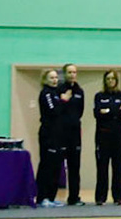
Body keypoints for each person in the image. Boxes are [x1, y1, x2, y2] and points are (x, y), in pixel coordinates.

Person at [35, 66, 84, 207]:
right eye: (51, 77)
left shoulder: (56, 93)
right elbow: (53, 110)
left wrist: (62, 100)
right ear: (45, 80)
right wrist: (63, 101)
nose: (55, 80)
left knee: (56, 167)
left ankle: (51, 197)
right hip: (47, 134)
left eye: (56, 77)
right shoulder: (46, 93)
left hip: (57, 134)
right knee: (46, 165)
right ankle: (41, 197)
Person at [93, 70, 121, 206]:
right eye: (108, 79)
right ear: (105, 81)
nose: (110, 81)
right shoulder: (99, 96)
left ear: (116, 80)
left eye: (113, 79)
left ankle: (118, 197)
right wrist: (114, 110)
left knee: (118, 166)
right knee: (102, 167)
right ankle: (100, 197)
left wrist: (107, 110)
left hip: (119, 136)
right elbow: (97, 113)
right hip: (103, 136)